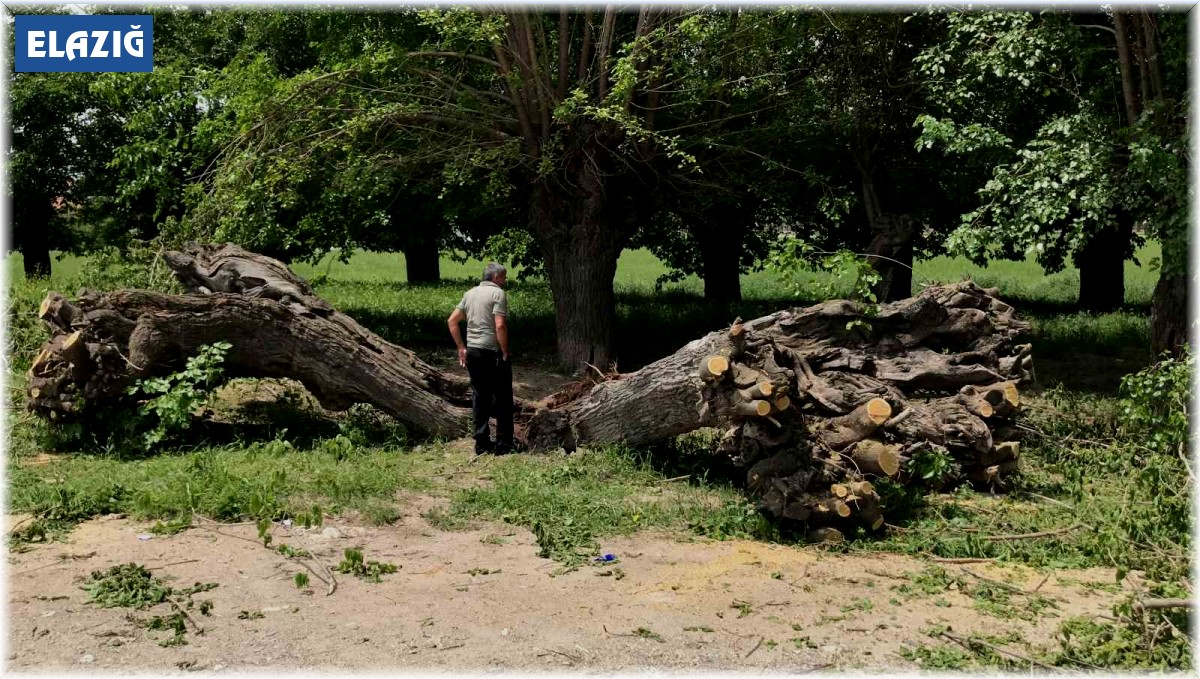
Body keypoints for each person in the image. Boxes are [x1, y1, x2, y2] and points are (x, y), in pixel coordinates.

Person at [448, 262, 514, 455]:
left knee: (479, 395)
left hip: (473, 351)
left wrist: (461, 347)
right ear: (496, 278)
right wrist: (504, 351)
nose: (504, 281)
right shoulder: (497, 294)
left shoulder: (470, 293)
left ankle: (481, 442)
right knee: (502, 396)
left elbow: (452, 321)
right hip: (492, 351)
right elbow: (500, 325)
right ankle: (504, 443)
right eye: (503, 277)